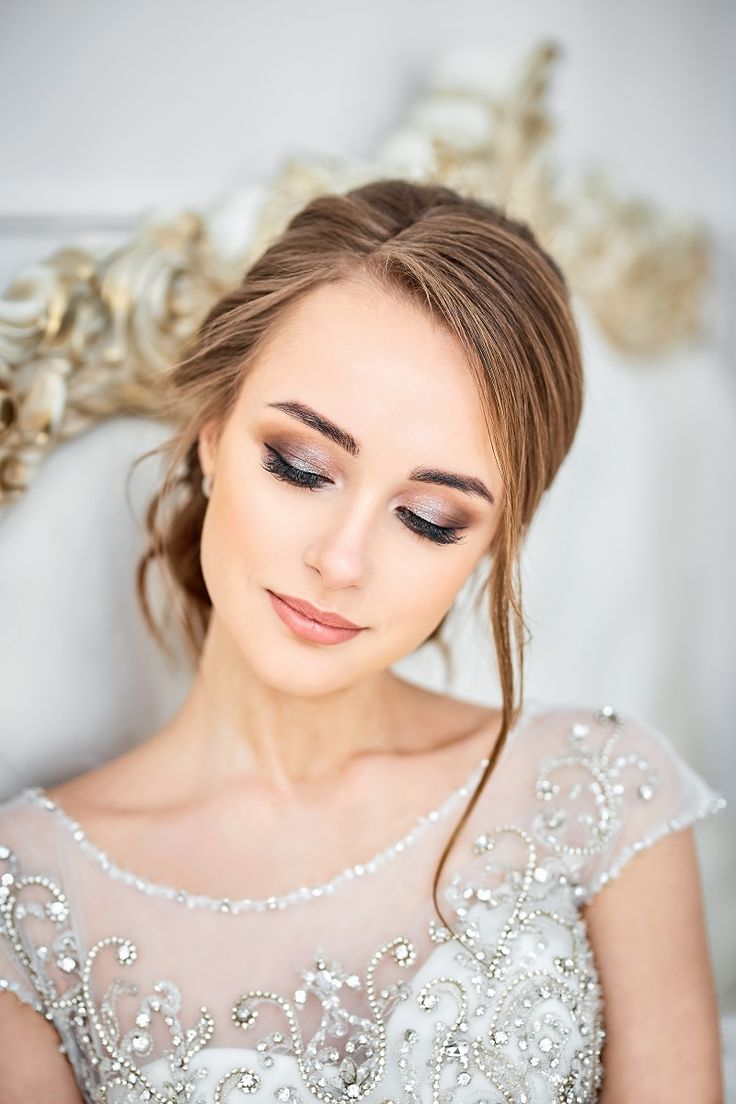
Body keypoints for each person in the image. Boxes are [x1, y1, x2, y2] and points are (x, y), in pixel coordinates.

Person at [0, 178, 727, 1103]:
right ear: (212, 437)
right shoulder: (25, 901)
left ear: (491, 548)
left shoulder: (598, 797)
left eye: (428, 519)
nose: (342, 560)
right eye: (302, 466)